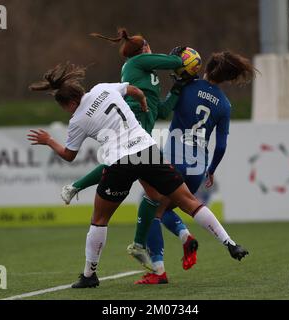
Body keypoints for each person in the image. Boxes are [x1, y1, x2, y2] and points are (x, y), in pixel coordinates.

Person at [27, 62, 248, 288]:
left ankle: (89, 275)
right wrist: (143, 104)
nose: (68, 111)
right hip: (147, 152)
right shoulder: (103, 88)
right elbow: (135, 90)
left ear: (71, 103)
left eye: (66, 108)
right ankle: (229, 243)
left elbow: (69, 155)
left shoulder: (77, 120)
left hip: (121, 162)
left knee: (99, 219)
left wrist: (49, 141)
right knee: (188, 201)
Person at [60, 28, 198, 271]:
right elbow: (174, 61)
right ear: (144, 48)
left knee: (154, 196)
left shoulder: (149, 74)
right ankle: (76, 187)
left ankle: (145, 245)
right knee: (129, 167)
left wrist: (176, 89)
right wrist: (181, 59)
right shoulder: (137, 62)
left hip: (145, 126)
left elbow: (163, 111)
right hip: (134, 122)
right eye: (149, 45)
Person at [135, 51, 256, 284]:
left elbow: (164, 109)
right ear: (227, 78)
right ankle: (216, 240)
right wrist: (211, 169)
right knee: (173, 206)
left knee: (151, 208)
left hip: (172, 158)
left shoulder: (188, 86)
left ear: (206, 68)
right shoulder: (224, 104)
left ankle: (158, 271)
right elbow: (221, 145)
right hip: (197, 167)